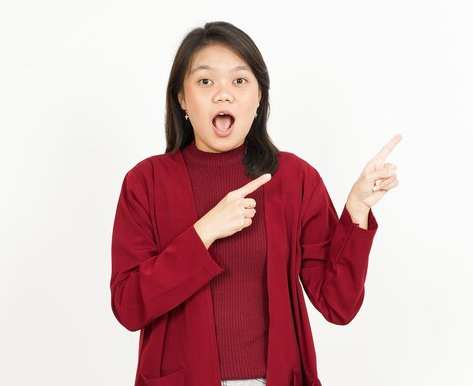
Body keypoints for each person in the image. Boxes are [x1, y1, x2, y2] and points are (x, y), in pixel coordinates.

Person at [110, 21, 401, 386]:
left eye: (239, 81)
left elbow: (337, 304)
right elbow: (128, 306)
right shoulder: (145, 183)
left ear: (260, 95)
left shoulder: (294, 178)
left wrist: (357, 211)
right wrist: (204, 231)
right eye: (205, 81)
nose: (223, 95)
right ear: (181, 98)